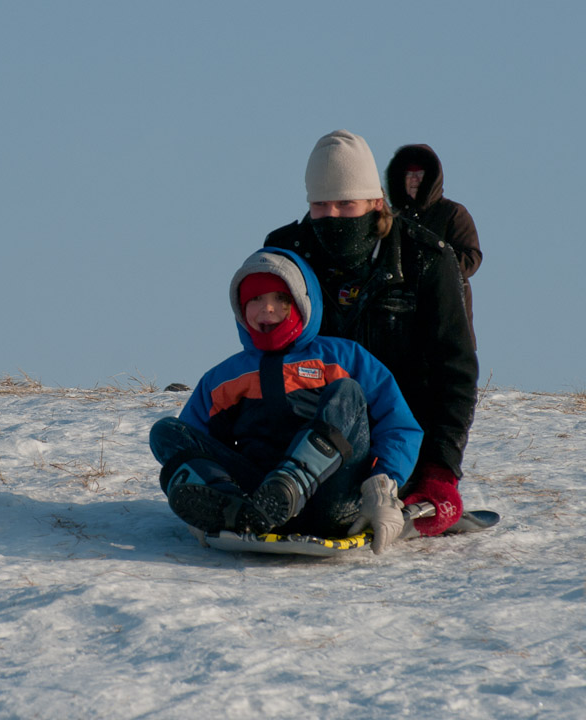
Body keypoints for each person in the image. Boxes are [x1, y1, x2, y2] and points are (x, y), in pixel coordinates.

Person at [263, 130, 479, 536]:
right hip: (301, 433)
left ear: (376, 201)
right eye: (320, 205)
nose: (334, 216)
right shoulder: (286, 253)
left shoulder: (426, 260)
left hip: (398, 446)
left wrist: (440, 469)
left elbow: (455, 371)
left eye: (347, 203)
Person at [149, 247, 423, 554]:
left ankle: (290, 485)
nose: (267, 309)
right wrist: (202, 494)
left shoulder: (344, 357)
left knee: (346, 392)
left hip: (332, 498)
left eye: (280, 299)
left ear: (303, 303)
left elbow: (398, 425)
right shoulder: (223, 377)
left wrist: (383, 487)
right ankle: (228, 506)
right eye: (254, 299)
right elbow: (197, 442)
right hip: (260, 504)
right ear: (240, 308)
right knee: (168, 432)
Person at [385, 143, 482, 348]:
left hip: (447, 316)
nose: (414, 180)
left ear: (431, 178)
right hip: (400, 321)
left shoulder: (453, 213)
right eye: (408, 174)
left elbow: (471, 258)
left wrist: (432, 262)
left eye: (420, 174)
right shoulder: (391, 219)